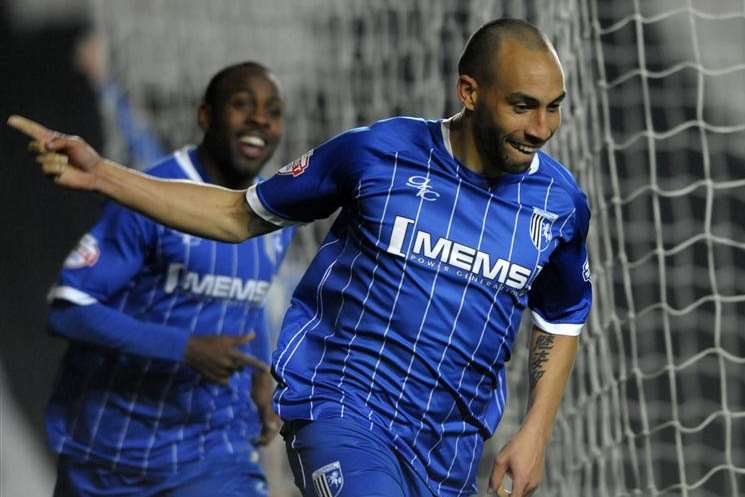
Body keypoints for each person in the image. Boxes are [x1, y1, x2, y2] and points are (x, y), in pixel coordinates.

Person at [11, 18, 592, 497]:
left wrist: (535, 430)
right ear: (469, 92)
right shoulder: (376, 155)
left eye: (553, 108)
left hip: (448, 446)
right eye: (523, 107)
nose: (542, 128)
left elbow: (562, 317)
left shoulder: (560, 204)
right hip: (342, 410)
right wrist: (106, 176)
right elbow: (235, 214)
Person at [36, 61, 294, 497]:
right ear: (205, 116)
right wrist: (184, 348)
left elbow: (247, 304)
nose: (259, 120)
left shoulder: (275, 215)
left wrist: (261, 379)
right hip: (112, 454)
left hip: (214, 451)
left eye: (272, 110)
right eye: (241, 105)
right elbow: (67, 309)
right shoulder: (149, 196)